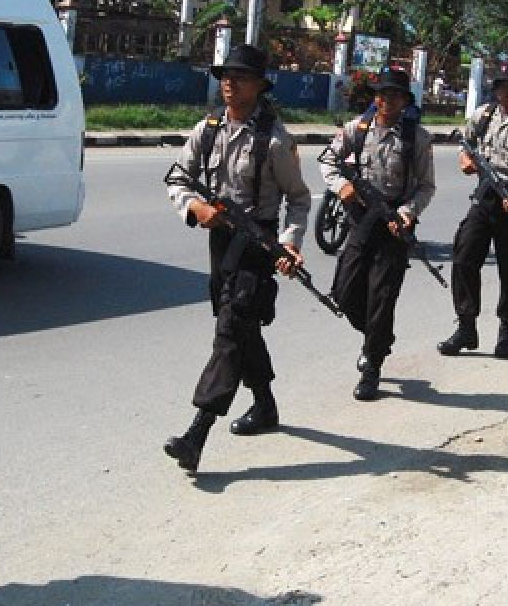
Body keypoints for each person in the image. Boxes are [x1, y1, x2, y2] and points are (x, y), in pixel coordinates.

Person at [164, 43, 310, 473]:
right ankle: (264, 405)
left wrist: (290, 242)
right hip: (219, 243)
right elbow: (177, 177)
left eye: (239, 77)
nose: (229, 83)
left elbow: (299, 200)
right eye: (225, 76)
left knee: (230, 331)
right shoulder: (207, 128)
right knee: (241, 328)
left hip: (258, 246)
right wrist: (194, 208)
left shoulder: (276, 140)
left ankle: (197, 433)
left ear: (260, 86)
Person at [321, 68, 436, 400]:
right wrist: (341, 185)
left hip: (394, 227)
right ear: (375, 97)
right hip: (361, 220)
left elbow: (426, 187)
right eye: (382, 94)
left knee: (382, 298)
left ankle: (372, 365)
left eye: (395, 96)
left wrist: (407, 213)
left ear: (404, 101)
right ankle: (378, 337)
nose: (388, 101)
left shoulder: (417, 137)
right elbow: (328, 160)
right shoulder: (356, 130)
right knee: (343, 290)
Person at [438, 61, 508, 359]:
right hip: (486, 195)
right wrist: (465, 159)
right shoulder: (483, 115)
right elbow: (467, 144)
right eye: (502, 85)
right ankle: (466, 326)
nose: (506, 91)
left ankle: (506, 331)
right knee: (464, 255)